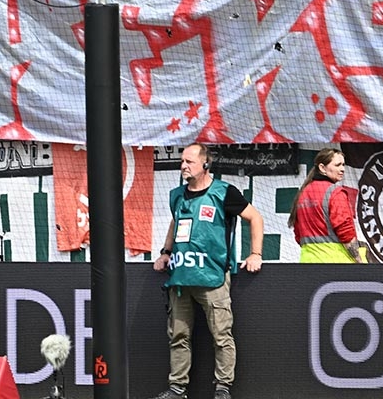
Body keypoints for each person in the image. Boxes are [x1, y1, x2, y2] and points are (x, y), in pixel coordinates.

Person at [150, 144, 264, 399]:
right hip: (180, 279)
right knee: (178, 335)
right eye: (182, 161)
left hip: (212, 279)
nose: (183, 166)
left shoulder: (224, 192)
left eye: (189, 161)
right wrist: (165, 252)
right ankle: (177, 389)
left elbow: (255, 217)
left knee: (221, 336)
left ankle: (223, 388)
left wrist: (255, 254)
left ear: (205, 164)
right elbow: (175, 222)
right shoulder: (177, 195)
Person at [288, 148, 362, 263]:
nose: (342, 169)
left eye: (343, 165)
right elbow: (346, 232)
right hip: (336, 265)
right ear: (322, 168)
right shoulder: (335, 192)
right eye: (338, 165)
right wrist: (359, 260)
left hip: (307, 264)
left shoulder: (302, 194)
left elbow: (298, 236)